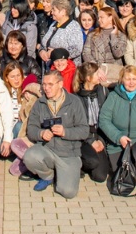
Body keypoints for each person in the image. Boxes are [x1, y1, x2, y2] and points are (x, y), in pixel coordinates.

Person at [24, 69, 89, 198]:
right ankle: (48, 176)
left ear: (60, 84)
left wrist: (65, 132)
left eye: (50, 84)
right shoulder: (40, 103)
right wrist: (41, 133)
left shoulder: (74, 102)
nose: (46, 88)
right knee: (29, 156)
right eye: (44, 84)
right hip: (47, 148)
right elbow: (31, 129)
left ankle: (68, 172)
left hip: (68, 153)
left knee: (68, 192)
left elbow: (84, 130)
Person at [73, 62, 112, 183]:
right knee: (92, 162)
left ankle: (92, 160)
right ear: (88, 78)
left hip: (100, 134)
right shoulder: (77, 98)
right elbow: (78, 125)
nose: (99, 76)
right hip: (84, 138)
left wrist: (100, 140)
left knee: (100, 176)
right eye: (97, 73)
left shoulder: (103, 91)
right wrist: (91, 141)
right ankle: (79, 163)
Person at [81, 7, 127, 85]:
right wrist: (96, 68)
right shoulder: (92, 34)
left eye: (101, 17)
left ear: (110, 18)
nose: (99, 20)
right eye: (98, 18)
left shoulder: (121, 35)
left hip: (115, 76)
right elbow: (86, 53)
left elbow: (118, 54)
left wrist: (113, 37)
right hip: (96, 75)